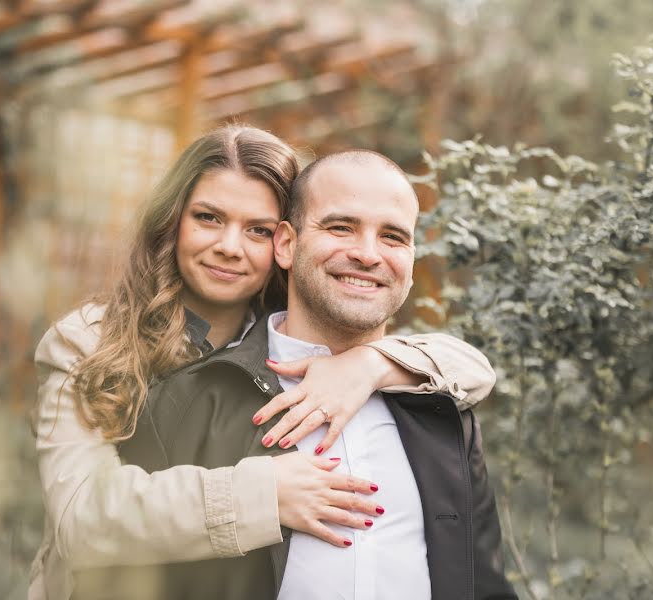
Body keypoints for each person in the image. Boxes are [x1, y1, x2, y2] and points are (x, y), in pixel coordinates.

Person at [31, 127, 498, 599]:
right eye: (209, 218)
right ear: (171, 222)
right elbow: (81, 519)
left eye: (257, 229)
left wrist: (369, 365)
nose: (231, 247)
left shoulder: (300, 334)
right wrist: (266, 495)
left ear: (283, 242)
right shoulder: (92, 340)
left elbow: (472, 369)